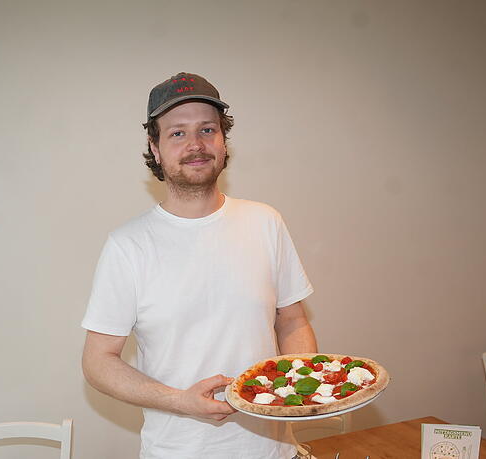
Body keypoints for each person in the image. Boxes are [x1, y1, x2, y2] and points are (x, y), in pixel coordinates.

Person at [81, 72, 318, 458]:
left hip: (275, 451)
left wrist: (296, 387)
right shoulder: (128, 245)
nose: (196, 144)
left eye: (208, 129)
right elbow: (97, 362)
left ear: (223, 141)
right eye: (177, 133)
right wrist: (181, 401)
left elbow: (292, 321)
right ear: (154, 148)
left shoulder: (266, 222)